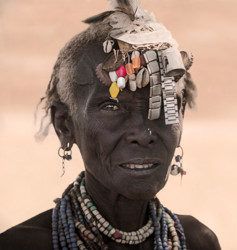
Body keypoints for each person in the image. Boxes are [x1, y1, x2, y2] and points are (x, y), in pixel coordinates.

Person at [0, 1, 221, 249]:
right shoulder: (21, 245)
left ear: (180, 115)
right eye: (112, 107)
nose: (143, 134)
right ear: (65, 126)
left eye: (162, 107)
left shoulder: (197, 241)